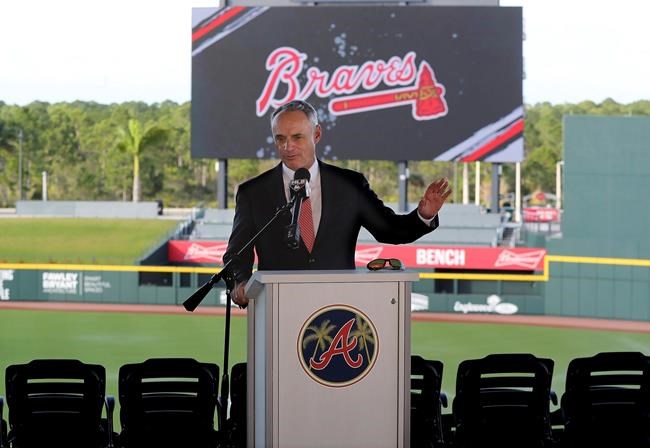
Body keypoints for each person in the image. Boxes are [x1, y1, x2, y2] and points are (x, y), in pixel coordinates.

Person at [223, 100, 451, 307]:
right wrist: (239, 283)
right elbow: (236, 254)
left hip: (338, 309)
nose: (287, 147)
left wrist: (423, 215)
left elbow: (389, 230)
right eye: (280, 139)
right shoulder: (253, 193)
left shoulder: (350, 185)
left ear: (317, 134)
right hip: (276, 309)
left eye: (297, 137)